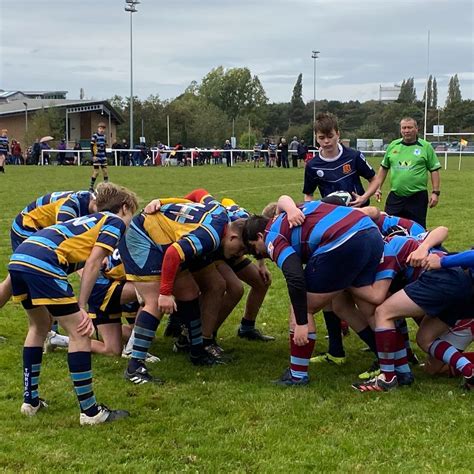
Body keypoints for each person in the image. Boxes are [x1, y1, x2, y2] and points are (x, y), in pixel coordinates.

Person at [8, 183, 138, 425]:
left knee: (38, 328)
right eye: (132, 214)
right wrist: (82, 307)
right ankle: (90, 412)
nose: (130, 221)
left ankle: (30, 401)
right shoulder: (115, 222)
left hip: (20, 257)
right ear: (124, 207)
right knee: (80, 331)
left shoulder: (89, 220)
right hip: (44, 262)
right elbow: (92, 264)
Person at [242, 200, 384, 386]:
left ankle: (297, 375)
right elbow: (285, 201)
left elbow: (295, 276)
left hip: (344, 241)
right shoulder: (289, 213)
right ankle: (391, 360)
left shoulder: (271, 236)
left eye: (254, 249)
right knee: (349, 305)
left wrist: (301, 321)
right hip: (371, 233)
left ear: (260, 235)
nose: (258, 254)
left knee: (302, 306)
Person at [120, 189, 247, 384]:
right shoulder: (210, 236)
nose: (240, 254)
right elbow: (173, 254)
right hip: (142, 238)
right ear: (233, 237)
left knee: (189, 292)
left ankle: (197, 353)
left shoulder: (219, 211)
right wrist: (165, 293)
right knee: (154, 303)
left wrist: (161, 200)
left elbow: (200, 193)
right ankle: (134, 365)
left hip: (163, 238)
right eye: (241, 249)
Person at [303, 112, 380, 366]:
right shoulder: (313, 165)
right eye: (321, 137)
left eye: (330, 136)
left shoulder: (354, 156)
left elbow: (374, 179)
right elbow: (307, 197)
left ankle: (385, 339)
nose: (325, 142)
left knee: (366, 287)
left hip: (363, 224)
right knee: (327, 290)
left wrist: (365, 196)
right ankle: (336, 348)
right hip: (333, 229)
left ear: (338, 134)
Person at [376, 117, 441, 228]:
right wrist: (377, 188)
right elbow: (384, 168)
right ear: (400, 130)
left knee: (417, 229)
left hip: (417, 197)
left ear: (416, 129)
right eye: (404, 128)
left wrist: (435, 192)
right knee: (388, 227)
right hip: (396, 196)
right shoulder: (393, 146)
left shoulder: (426, 147)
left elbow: (434, 170)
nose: (406, 130)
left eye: (410, 127)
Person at [89, 122, 109, 191]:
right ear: (98, 129)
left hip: (102, 156)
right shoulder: (95, 136)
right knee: (96, 172)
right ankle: (91, 187)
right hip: (97, 156)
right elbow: (91, 146)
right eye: (100, 128)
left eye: (103, 129)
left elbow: (104, 147)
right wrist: (93, 155)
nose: (101, 130)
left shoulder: (104, 137)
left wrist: (105, 155)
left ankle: (106, 187)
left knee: (105, 171)